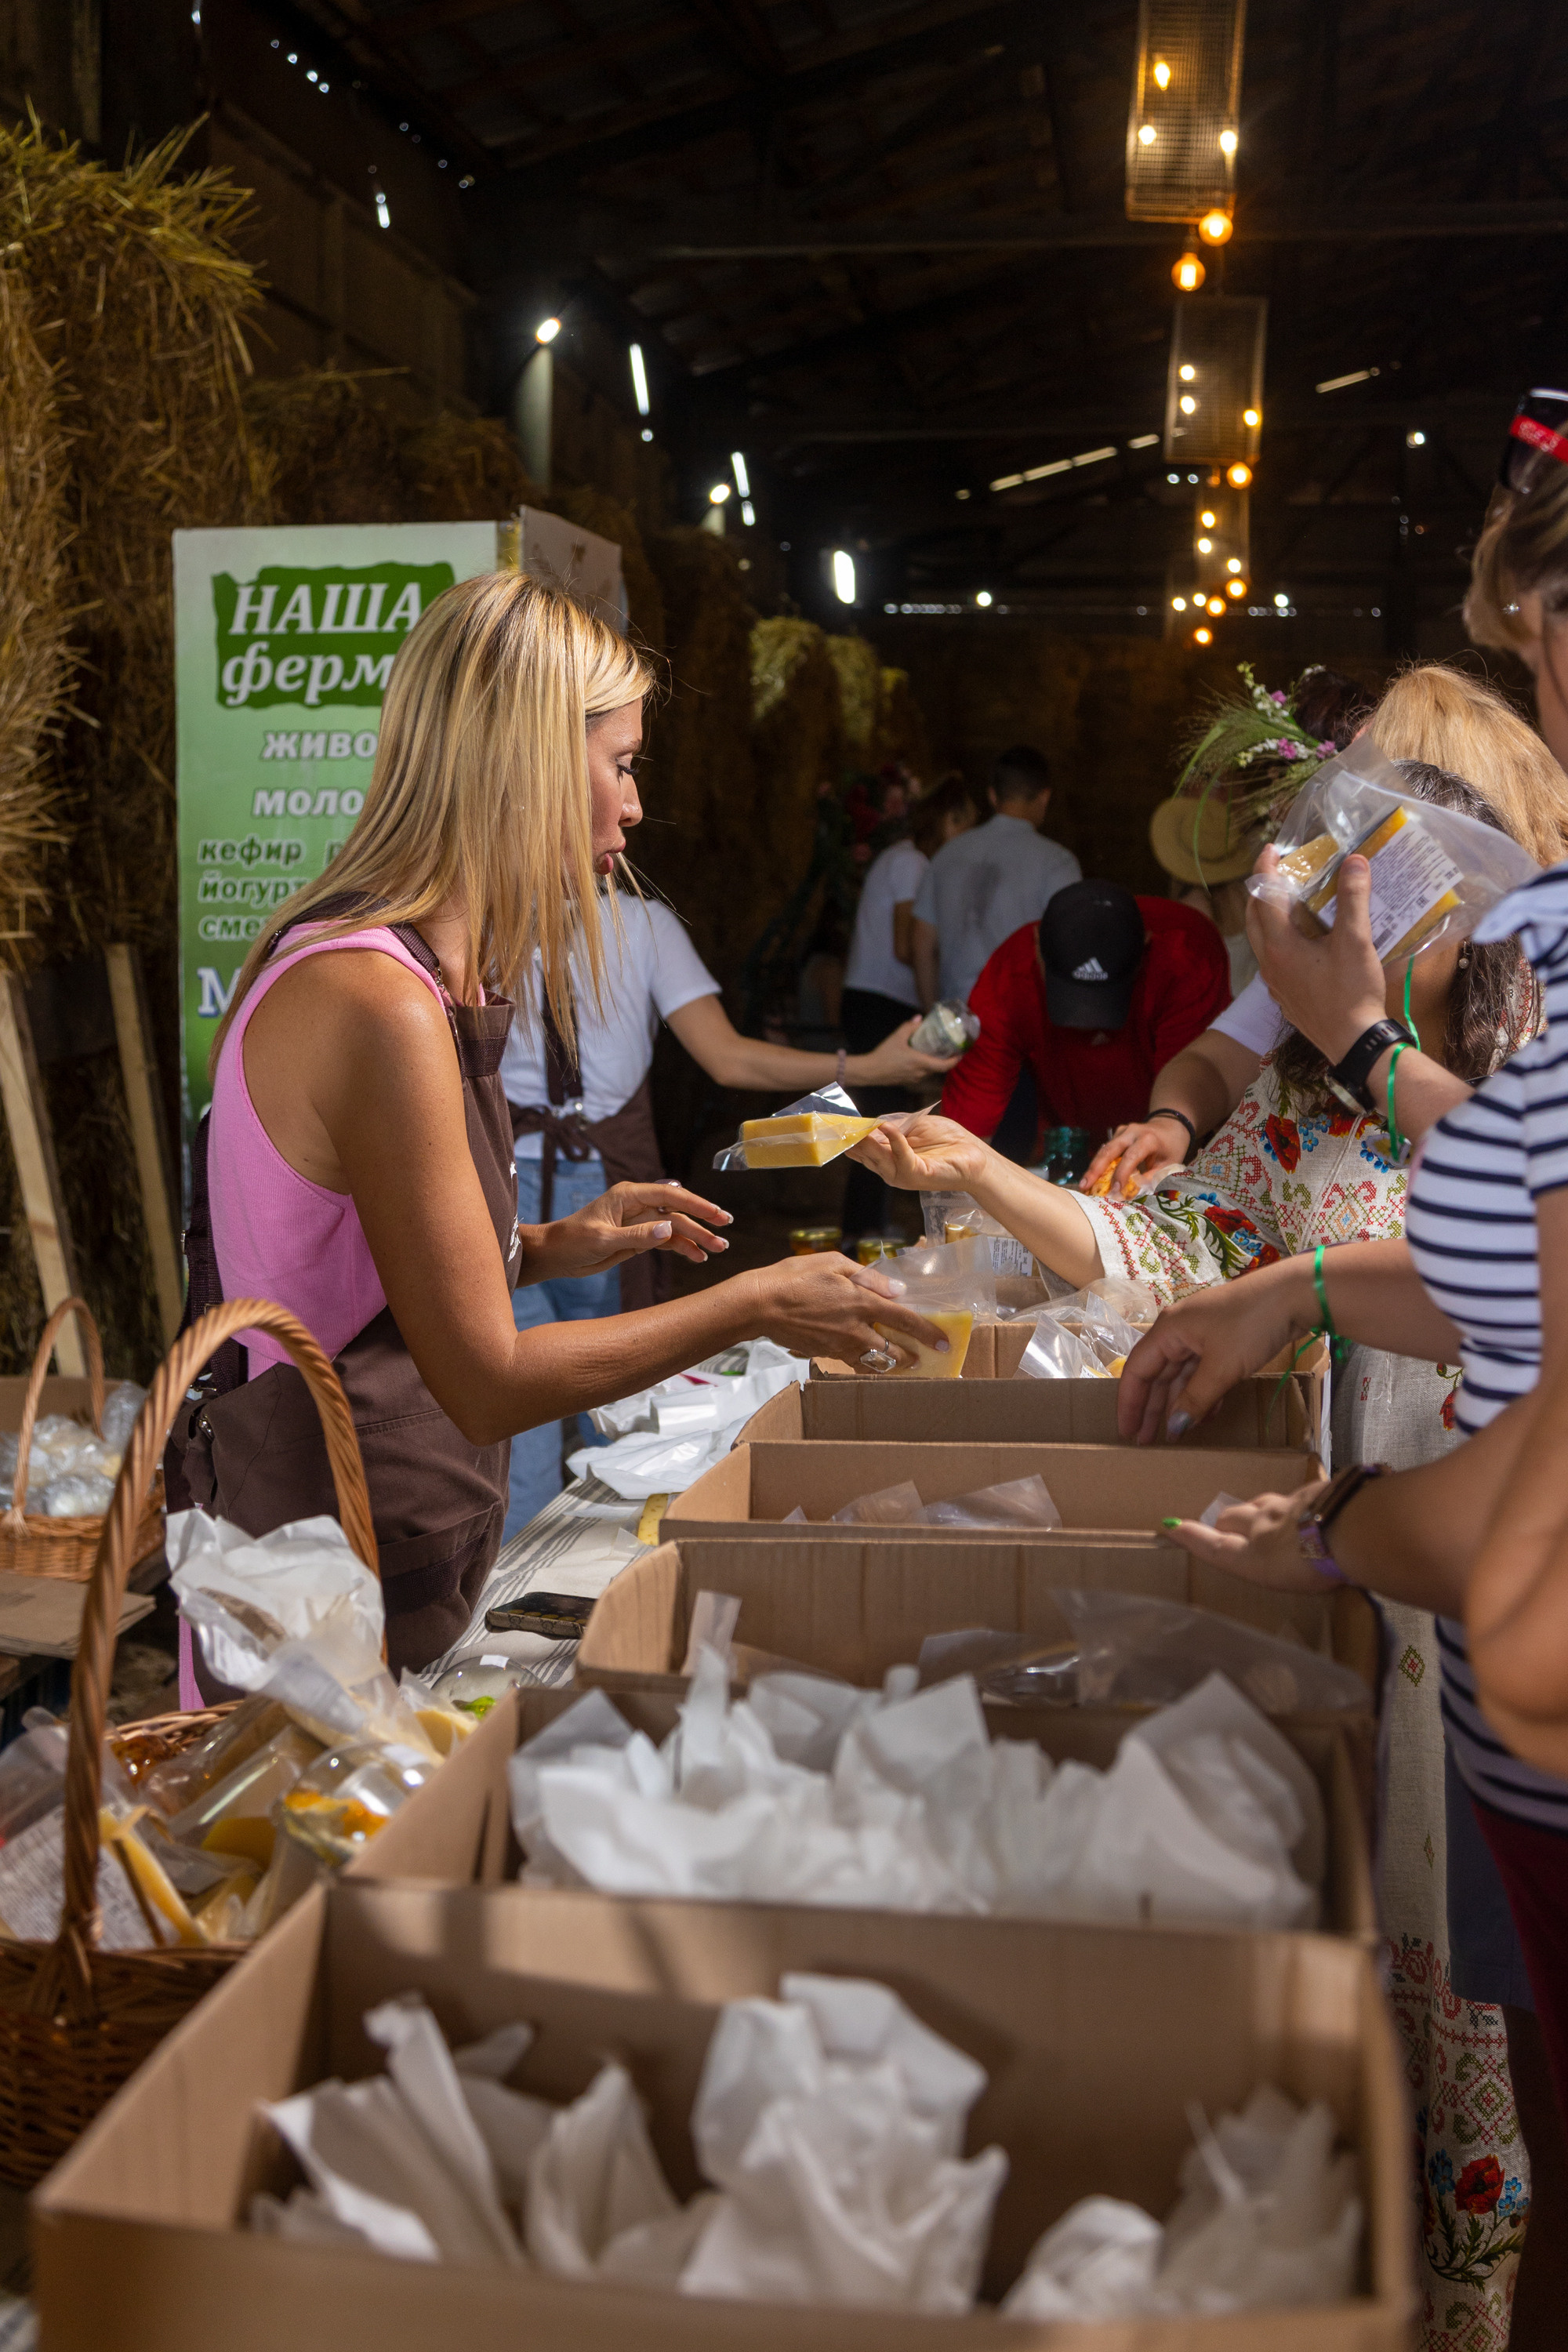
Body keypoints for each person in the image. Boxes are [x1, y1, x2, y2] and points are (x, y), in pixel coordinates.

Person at [851, 758, 1550, 2346]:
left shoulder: (1505, 1088)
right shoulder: (1305, 1109)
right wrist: (982, 1172)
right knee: (1385, 1963)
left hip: (1477, 1597)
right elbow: (1169, 1258)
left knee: (1488, 2021)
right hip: (1359, 1596)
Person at [183, 574, 948, 1679]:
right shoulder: (378, 999)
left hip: (372, 1557)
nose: (633, 806)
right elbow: (486, 1378)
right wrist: (754, 1303)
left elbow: (354, 1266)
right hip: (312, 1587)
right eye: (621, 762)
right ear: (528, 763)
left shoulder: (418, 972)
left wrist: (547, 1245)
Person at [500, 887, 959, 1537]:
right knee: (605, 1391)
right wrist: (867, 1065)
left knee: (538, 1406)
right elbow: (726, 1056)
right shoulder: (637, 922)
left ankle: (532, 1576)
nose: (625, 831)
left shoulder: (491, 912)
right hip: (568, 1181)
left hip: (520, 1178)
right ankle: (593, 1570)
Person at [1091, 662, 1568, 1199]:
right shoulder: (1327, 960)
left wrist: (1357, 1037)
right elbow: (1217, 1062)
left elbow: (1523, 1198)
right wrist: (1172, 1122)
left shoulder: (1542, 987)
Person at [934, 878, 1231, 1156]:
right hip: (1065, 1145)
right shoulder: (1010, 975)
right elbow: (965, 1130)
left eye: (1106, 997)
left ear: (1146, 946)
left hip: (1170, 1140)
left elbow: (1188, 1103)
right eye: (1069, 994)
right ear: (1036, 945)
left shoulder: (1186, 954)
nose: (1088, 1025)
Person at [839, 771, 978, 1242]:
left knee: (885, 1117)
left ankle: (868, 1223)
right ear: (950, 820)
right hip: (880, 1002)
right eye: (966, 827)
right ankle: (862, 1229)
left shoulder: (903, 858)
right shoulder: (914, 863)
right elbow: (905, 944)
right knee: (883, 1122)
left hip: (874, 999)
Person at [910, 743, 1080, 1009]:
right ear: (1045, 797)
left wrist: (935, 1015)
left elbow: (922, 942)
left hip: (956, 1015)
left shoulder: (947, 855)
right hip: (1018, 1019)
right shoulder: (1057, 862)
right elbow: (1068, 946)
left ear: (992, 796)